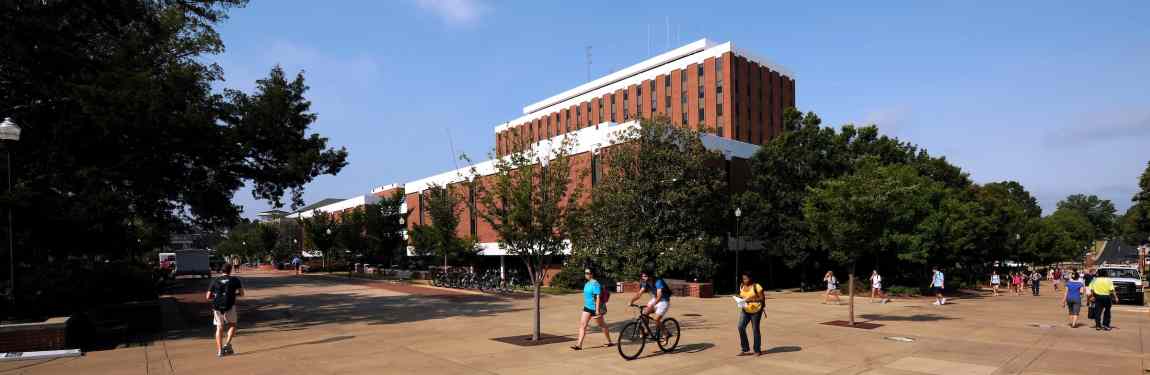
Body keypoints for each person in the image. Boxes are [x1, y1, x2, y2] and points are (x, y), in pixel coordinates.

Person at [206, 263, 244, 357]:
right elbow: (242, 294)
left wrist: (216, 296)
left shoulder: (215, 280)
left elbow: (208, 296)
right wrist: (233, 295)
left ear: (221, 270)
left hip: (217, 306)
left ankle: (220, 351)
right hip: (230, 305)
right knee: (233, 325)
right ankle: (227, 344)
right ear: (230, 270)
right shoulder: (235, 280)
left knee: (219, 328)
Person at [572, 268, 611, 350]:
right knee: (583, 325)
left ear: (592, 274)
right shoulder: (587, 283)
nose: (586, 274)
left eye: (587, 273)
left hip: (595, 308)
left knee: (602, 325)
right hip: (587, 307)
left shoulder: (595, 284)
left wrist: (597, 310)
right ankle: (579, 345)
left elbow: (598, 297)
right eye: (585, 273)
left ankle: (609, 341)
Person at [628, 270, 671, 339]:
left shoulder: (658, 281)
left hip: (664, 300)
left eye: (645, 276)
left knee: (656, 319)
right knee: (644, 314)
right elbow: (639, 293)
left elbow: (659, 296)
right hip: (655, 299)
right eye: (642, 276)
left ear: (650, 276)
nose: (644, 278)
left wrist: (653, 304)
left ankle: (666, 333)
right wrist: (631, 301)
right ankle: (647, 331)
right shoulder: (645, 282)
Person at [735, 272, 765, 356]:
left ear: (750, 278)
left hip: (756, 311)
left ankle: (757, 350)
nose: (744, 280)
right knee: (740, 326)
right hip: (745, 310)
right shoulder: (742, 286)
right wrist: (739, 299)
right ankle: (745, 349)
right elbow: (742, 295)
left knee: (755, 329)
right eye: (743, 279)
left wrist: (751, 300)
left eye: (746, 278)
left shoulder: (757, 286)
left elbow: (762, 298)